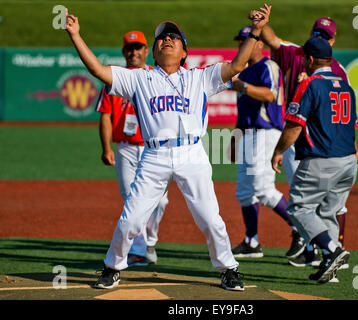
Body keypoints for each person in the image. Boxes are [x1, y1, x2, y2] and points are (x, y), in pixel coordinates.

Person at [65, 4, 272, 291]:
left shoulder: (199, 77)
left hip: (191, 153)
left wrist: (257, 30)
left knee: (210, 219)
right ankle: (112, 266)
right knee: (131, 219)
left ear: (184, 52)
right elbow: (97, 70)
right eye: (162, 37)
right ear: (154, 50)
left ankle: (229, 269)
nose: (167, 39)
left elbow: (237, 65)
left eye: (174, 37)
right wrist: (75, 35)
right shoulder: (139, 77)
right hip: (154, 155)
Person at [257, 16, 357, 269]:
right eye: (317, 34)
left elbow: (294, 125)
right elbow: (351, 122)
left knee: (300, 208)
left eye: (323, 35)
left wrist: (277, 151)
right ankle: (328, 262)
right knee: (328, 209)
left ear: (310, 59)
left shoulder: (311, 82)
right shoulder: (344, 83)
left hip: (316, 152)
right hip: (344, 157)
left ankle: (331, 250)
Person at [227, 26, 303, 259]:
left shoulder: (268, 66)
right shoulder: (244, 72)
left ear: (259, 44)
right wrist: (234, 139)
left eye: (247, 40)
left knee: (262, 188)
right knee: (244, 191)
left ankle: (301, 228)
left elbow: (270, 95)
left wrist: (245, 87)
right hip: (248, 134)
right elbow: (242, 110)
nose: (243, 45)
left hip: (266, 132)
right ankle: (252, 241)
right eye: (240, 42)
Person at [96, 30, 168, 266]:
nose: (134, 52)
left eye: (138, 48)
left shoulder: (156, 76)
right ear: (123, 51)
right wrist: (106, 147)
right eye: (129, 48)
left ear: (147, 51)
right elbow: (105, 116)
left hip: (154, 147)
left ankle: (149, 241)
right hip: (126, 147)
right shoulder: (113, 78)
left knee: (160, 201)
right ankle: (139, 249)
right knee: (131, 198)